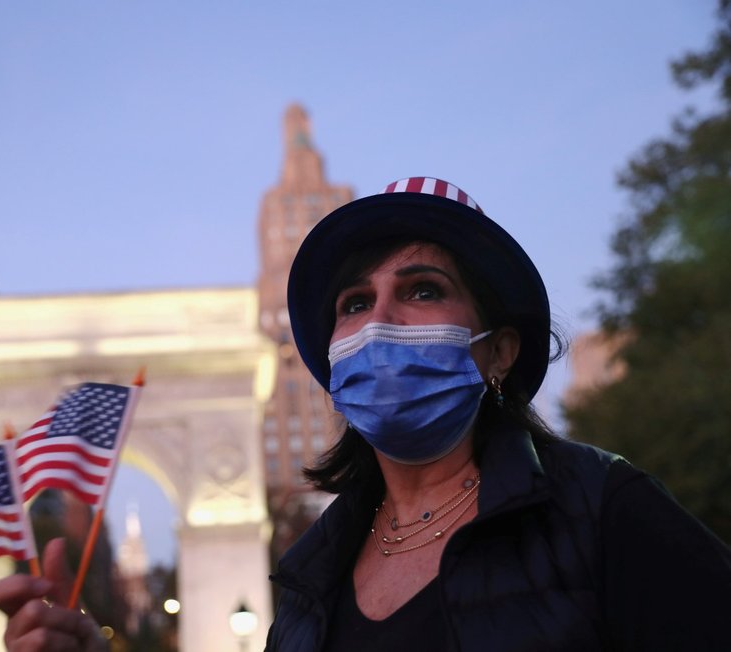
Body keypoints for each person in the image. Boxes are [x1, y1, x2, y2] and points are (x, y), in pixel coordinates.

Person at [265, 176, 731, 651]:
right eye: (356, 303)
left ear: (500, 351)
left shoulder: (603, 506)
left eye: (424, 291)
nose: (379, 322)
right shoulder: (308, 575)